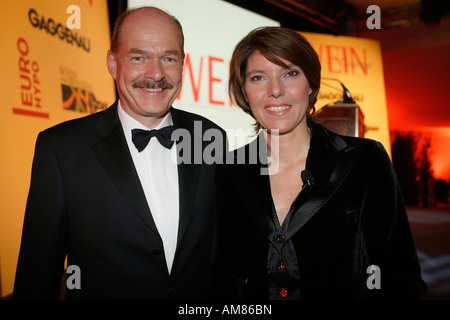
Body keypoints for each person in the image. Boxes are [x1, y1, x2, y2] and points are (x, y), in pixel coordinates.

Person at [13, 6, 226, 299]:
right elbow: (37, 277)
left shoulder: (210, 137)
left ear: (183, 65)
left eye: (169, 58)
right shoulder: (61, 148)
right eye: (138, 57)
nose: (156, 74)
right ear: (113, 64)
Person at [213, 26, 427, 299]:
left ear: (311, 83)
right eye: (258, 77)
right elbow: (224, 274)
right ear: (244, 91)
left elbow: (400, 276)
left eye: (290, 73)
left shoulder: (364, 160)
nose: (275, 90)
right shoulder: (229, 171)